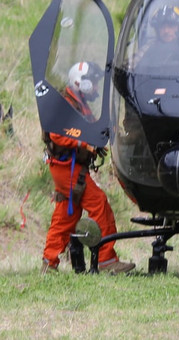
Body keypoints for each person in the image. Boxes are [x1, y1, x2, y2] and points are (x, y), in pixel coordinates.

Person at [41, 61, 135, 275]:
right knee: (99, 204)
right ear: (80, 83)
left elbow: (89, 129)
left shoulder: (79, 105)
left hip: (70, 169)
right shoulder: (66, 105)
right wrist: (84, 143)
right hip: (68, 169)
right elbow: (58, 134)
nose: (95, 87)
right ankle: (106, 260)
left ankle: (49, 262)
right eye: (92, 83)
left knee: (66, 216)